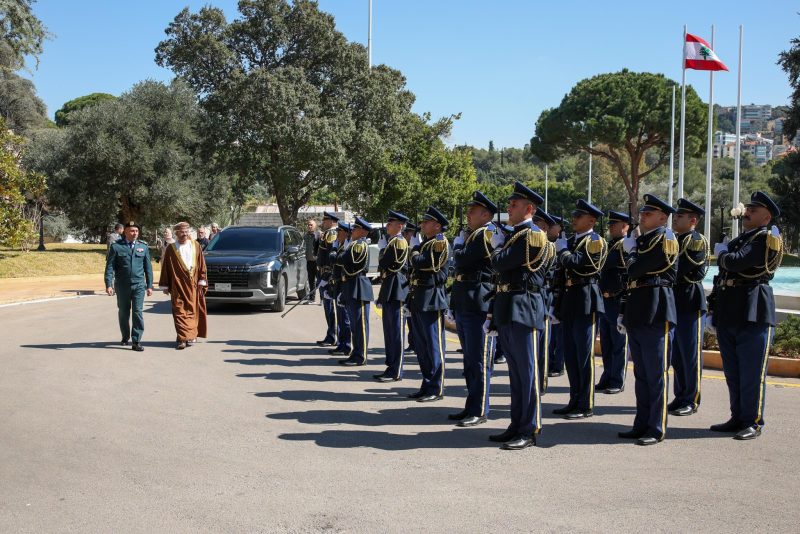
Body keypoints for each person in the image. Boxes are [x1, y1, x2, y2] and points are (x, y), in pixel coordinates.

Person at [708, 191, 782, 440]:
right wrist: (713, 309)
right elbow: (724, 276)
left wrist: (722, 254)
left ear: (766, 216)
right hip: (732, 309)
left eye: (754, 209)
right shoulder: (743, 239)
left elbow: (737, 263)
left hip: (753, 308)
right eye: (748, 207)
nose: (747, 211)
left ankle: (753, 421)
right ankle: (737, 416)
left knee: (752, 372)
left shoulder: (765, 238)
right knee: (733, 371)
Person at [487, 181, 549, 450]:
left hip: (524, 306)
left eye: (514, 205)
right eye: (510, 204)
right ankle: (516, 424)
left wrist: (497, 248)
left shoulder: (532, 235)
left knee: (528, 373)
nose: (509, 208)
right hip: (509, 305)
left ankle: (530, 427)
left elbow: (499, 264)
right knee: (515, 373)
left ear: (529, 208)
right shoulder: (515, 235)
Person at [618, 194, 678, 446]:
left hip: (656, 305)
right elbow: (630, 279)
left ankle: (656, 426)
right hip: (639, 306)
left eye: (648, 213)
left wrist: (631, 255)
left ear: (663, 217)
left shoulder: (665, 238)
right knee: (641, 373)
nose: (642, 216)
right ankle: (641, 422)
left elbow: (636, 269)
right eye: (642, 212)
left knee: (655, 373)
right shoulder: (643, 239)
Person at [553, 199, 607, 420]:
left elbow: (581, 265)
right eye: (574, 215)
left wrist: (563, 253)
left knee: (584, 355)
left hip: (586, 299)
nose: (573, 219)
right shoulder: (574, 241)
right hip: (570, 299)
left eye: (579, 216)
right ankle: (574, 399)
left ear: (591, 220)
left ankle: (585, 404)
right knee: (571, 355)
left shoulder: (595, 241)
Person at [449, 191, 498, 427]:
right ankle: (471, 405)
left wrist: (458, 246)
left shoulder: (487, 233)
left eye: (472, 211)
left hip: (479, 302)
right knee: (470, 360)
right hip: (466, 301)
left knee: (479, 360)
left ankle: (480, 409)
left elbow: (462, 260)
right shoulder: (474, 234)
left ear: (486, 214)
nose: (468, 215)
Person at [668, 199, 709, 416]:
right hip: (675, 300)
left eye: (680, 216)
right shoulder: (674, 239)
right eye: (675, 215)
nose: (675, 218)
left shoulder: (695, 240)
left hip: (689, 300)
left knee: (690, 354)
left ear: (692, 220)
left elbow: (682, 268)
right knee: (678, 354)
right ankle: (680, 394)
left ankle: (691, 399)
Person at [406, 206, 450, 403]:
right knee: (421, 346)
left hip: (431, 298)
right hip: (419, 297)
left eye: (426, 222)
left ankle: (436, 387)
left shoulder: (439, 242)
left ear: (437, 226)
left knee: (433, 346)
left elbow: (426, 264)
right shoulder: (427, 243)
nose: (422, 225)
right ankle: (426, 383)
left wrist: (414, 252)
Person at [596, 210, 631, 395]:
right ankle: (607, 376)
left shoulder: (625, 245)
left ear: (625, 226)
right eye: (610, 224)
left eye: (614, 224)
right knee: (607, 343)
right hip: (605, 299)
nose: (610, 227)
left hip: (618, 299)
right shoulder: (610, 244)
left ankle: (617, 380)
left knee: (619, 343)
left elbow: (605, 263)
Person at [104, 221, 154, 351]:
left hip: (138, 285)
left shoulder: (143, 247)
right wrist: (108, 284)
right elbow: (110, 267)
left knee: (137, 312)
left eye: (136, 231)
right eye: (132, 231)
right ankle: (125, 336)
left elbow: (148, 268)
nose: (135, 233)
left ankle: (136, 340)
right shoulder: (116, 247)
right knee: (123, 312)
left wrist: (149, 285)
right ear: (125, 232)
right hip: (122, 285)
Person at [158, 222, 209, 349]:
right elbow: (166, 268)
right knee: (179, 311)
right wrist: (165, 285)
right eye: (182, 232)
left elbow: (201, 264)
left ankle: (190, 336)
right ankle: (182, 339)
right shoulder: (171, 248)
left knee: (192, 311)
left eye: (186, 231)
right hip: (177, 286)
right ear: (176, 233)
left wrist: (202, 279)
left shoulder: (196, 246)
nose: (184, 234)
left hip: (192, 286)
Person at [374, 210, 410, 382]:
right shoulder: (392, 242)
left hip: (396, 288)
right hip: (390, 286)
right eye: (387, 223)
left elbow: (384, 263)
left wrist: (382, 251)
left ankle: (396, 370)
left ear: (399, 226)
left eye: (391, 224)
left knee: (396, 332)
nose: (387, 226)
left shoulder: (398, 242)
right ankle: (391, 366)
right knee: (389, 331)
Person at [337, 217, 374, 366]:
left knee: (360, 325)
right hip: (352, 286)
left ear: (363, 231)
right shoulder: (354, 244)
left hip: (359, 286)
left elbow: (344, 260)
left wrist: (339, 255)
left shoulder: (359, 245)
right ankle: (355, 353)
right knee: (354, 325)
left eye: (355, 229)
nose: (352, 231)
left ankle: (361, 356)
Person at [532, 209, 557, 395]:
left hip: (544, 298)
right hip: (535, 298)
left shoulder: (549, 247)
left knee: (542, 348)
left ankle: (541, 383)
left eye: (538, 225)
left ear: (545, 228)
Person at [327, 220, 352, 357]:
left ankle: (347, 345)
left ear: (345, 233)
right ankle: (342, 343)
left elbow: (334, 260)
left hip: (344, 284)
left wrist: (334, 250)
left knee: (345, 317)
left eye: (339, 232)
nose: (337, 235)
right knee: (340, 316)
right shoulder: (342, 245)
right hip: (337, 283)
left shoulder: (346, 247)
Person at [316, 212, 340, 347]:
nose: (323, 222)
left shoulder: (331, 234)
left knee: (330, 307)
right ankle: (331, 334)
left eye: (325, 220)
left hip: (327, 275)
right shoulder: (326, 234)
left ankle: (333, 335)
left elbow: (331, 257)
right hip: (322, 274)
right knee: (327, 306)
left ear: (332, 222)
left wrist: (328, 276)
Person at [547, 215, 566, 377]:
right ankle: (549, 362)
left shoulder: (563, 246)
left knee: (560, 334)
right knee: (551, 335)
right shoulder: (550, 245)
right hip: (549, 293)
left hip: (559, 295)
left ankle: (558, 365)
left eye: (551, 226)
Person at [402, 222, 420, 354]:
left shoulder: (417, 248)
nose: (406, 236)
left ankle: (416, 343)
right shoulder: (407, 248)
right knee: (409, 318)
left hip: (417, 287)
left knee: (415, 319)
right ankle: (412, 343)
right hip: (409, 286)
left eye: (407, 233)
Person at [304, 218, 320, 303]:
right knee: (311, 280)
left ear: (315, 226)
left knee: (320, 281)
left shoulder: (319, 235)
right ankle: (312, 298)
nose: (309, 226)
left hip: (317, 262)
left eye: (311, 225)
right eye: (308, 225)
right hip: (309, 261)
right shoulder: (305, 236)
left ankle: (322, 299)